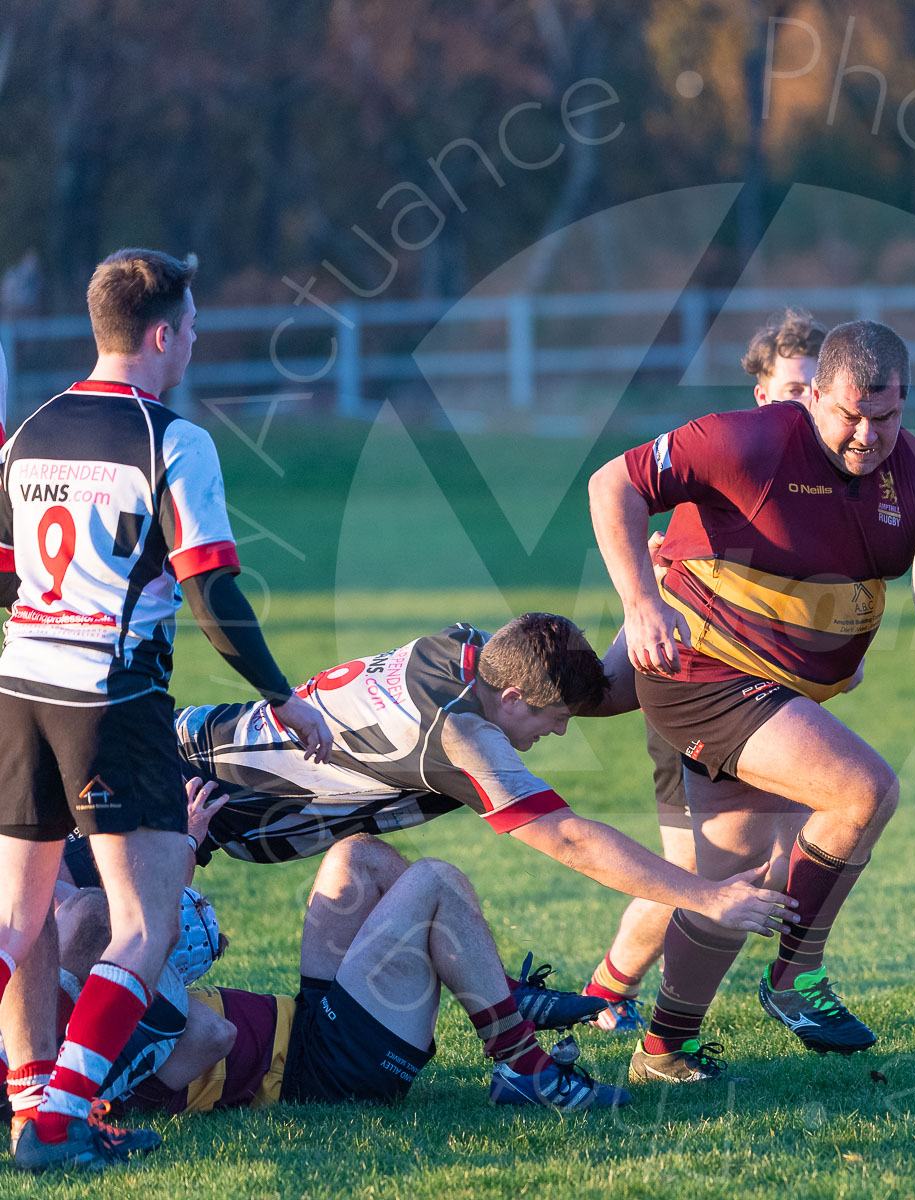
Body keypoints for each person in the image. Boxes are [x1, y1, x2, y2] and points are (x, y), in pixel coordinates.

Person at [589, 319, 915, 1083]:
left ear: (906, 402)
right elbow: (616, 482)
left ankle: (666, 1048)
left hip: (769, 688)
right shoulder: (751, 443)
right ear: (814, 398)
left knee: (732, 876)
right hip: (700, 670)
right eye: (848, 415)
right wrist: (639, 601)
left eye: (887, 416)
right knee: (864, 789)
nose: (868, 434)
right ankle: (795, 979)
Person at [0, 248, 333, 1171]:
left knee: (16, 920)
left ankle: (37, 1104)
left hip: (18, 688)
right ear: (160, 334)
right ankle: (59, 1119)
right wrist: (283, 698)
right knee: (144, 923)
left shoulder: (27, 433)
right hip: (112, 702)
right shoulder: (174, 442)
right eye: (189, 327)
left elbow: (5, 577)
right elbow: (215, 596)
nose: (194, 341)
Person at [178, 613, 797, 939]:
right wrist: (709, 898)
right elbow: (569, 839)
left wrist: (654, 596)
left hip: (189, 741)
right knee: (117, 938)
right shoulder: (459, 737)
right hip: (184, 786)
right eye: (554, 720)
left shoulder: (468, 647)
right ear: (512, 697)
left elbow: (596, 690)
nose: (556, 734)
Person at [583, 308, 827, 1033]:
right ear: (762, 395)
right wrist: (645, 599)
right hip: (698, 691)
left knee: (778, 856)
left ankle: (630, 1000)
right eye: (791, 389)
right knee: (698, 876)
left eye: (817, 391)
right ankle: (610, 999)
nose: (803, 404)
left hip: (767, 697)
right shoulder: (731, 461)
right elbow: (636, 517)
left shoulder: (823, 481)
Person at [50, 836, 631, 1115]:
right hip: (326, 1073)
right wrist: (154, 960)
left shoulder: (60, 1008)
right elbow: (210, 1038)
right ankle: (524, 1065)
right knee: (433, 880)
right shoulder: (84, 1058)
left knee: (355, 858)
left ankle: (501, 994)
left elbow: (54, 898)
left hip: (307, 1026)